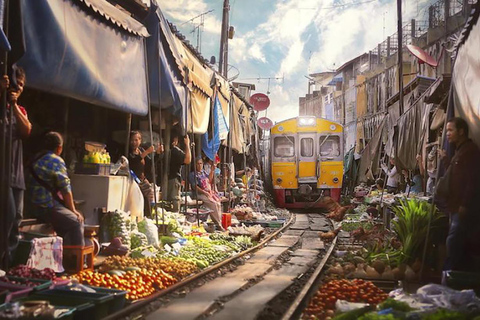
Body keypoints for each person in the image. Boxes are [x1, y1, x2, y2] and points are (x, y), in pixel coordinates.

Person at [27, 132, 84, 246]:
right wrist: (73, 210)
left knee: (65, 221)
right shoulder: (56, 160)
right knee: (76, 221)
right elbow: (65, 188)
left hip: (30, 207)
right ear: (59, 148)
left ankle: (63, 254)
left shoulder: (34, 159)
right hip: (45, 207)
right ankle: (76, 260)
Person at [439, 117, 480, 271]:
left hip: (462, 208)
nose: (447, 134)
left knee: (453, 241)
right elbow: (455, 174)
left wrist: (465, 204)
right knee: (457, 242)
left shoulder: (470, 151)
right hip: (455, 206)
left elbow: (472, 181)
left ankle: (450, 276)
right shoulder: (459, 151)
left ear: (461, 131)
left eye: (450, 130)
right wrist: (445, 160)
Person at [1, 67, 32, 262]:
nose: (17, 87)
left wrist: (13, 104)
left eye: (20, 85)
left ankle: (8, 264)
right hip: (2, 175)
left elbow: (26, 130)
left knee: (16, 219)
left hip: (17, 176)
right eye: (14, 84)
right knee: (7, 217)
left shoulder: (20, 110)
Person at [128, 131, 163, 216]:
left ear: (140, 141)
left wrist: (157, 154)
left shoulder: (141, 150)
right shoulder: (128, 151)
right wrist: (147, 152)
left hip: (142, 179)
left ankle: (148, 216)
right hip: (132, 179)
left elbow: (150, 162)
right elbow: (134, 161)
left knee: (151, 194)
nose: (134, 142)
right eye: (132, 140)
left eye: (136, 140)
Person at [189, 157, 224, 231]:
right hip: (199, 194)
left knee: (218, 203)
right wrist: (204, 192)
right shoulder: (193, 174)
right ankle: (218, 224)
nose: (199, 165)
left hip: (208, 193)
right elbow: (195, 186)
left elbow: (209, 180)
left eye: (200, 163)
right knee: (213, 204)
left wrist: (212, 170)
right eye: (197, 164)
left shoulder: (204, 172)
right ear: (194, 165)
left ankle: (219, 222)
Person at [167, 134, 191, 212]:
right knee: (174, 202)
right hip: (173, 179)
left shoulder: (162, 148)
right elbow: (188, 160)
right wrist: (187, 145)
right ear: (175, 140)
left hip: (164, 179)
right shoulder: (175, 150)